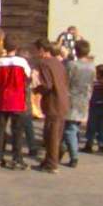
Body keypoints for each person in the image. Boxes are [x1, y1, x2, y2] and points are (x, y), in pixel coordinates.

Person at [0, 35, 31, 169]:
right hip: (18, 100)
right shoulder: (22, 62)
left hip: (2, 99)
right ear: (16, 48)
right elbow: (28, 76)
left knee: (0, 130)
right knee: (17, 131)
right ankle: (17, 158)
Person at [33, 38, 70, 174]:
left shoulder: (44, 64)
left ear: (42, 50)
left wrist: (36, 90)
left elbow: (47, 84)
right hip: (63, 100)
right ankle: (51, 157)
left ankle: (52, 163)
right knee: (56, 131)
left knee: (51, 133)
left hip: (53, 101)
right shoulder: (58, 63)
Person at [62, 40, 95, 168]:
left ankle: (74, 156)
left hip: (72, 98)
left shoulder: (72, 65)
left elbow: (66, 81)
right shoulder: (92, 66)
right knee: (73, 127)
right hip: (84, 98)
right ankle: (63, 150)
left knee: (70, 129)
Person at [82, 64, 103, 154]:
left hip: (93, 106)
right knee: (101, 126)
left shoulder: (94, 84)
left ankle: (89, 144)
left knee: (91, 125)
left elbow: (88, 93)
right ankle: (101, 144)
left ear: (97, 74)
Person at [17, 46, 40, 158]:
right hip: (25, 98)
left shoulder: (21, 69)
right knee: (27, 125)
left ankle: (22, 148)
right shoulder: (30, 70)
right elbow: (35, 85)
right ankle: (32, 147)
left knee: (20, 125)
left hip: (21, 98)